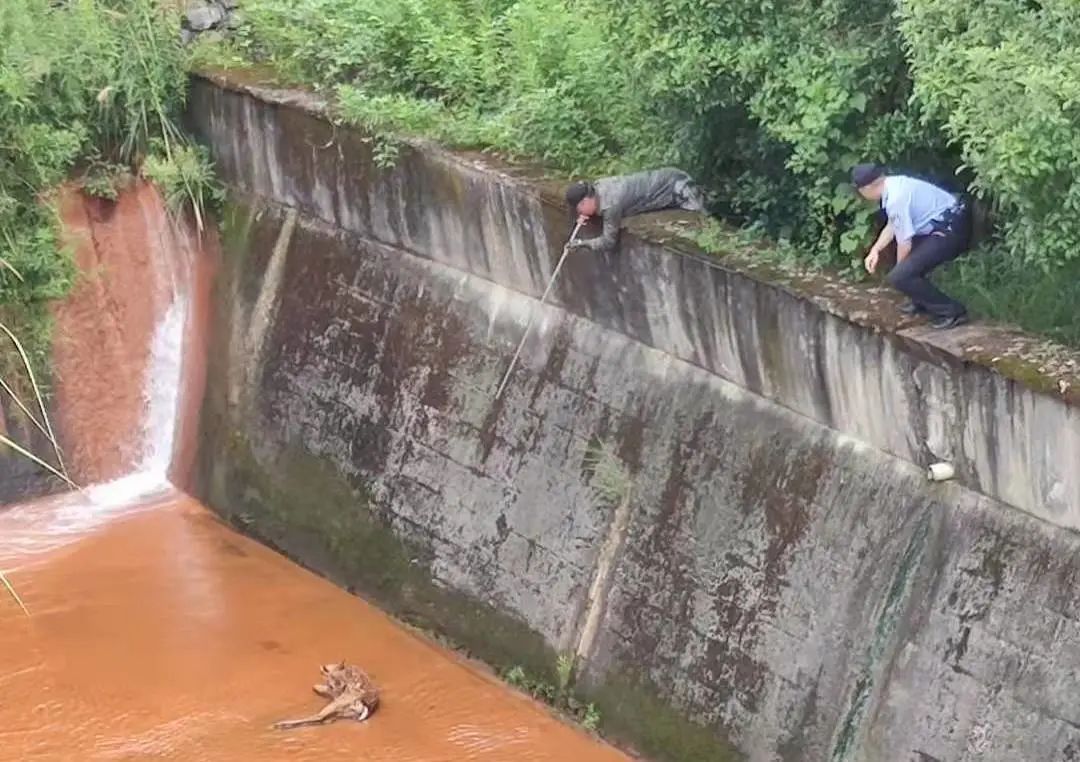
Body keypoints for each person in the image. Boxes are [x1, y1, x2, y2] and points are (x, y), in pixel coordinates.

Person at [852, 163, 972, 330]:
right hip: (943, 224)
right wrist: (875, 250)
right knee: (906, 271)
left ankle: (952, 312)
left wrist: (901, 271)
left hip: (950, 229)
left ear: (867, 188)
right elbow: (893, 224)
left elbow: (904, 243)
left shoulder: (896, 198)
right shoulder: (893, 185)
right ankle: (920, 301)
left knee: (900, 276)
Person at [565, 168, 705, 254]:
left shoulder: (610, 205)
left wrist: (583, 244)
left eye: (579, 209)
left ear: (584, 202)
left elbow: (608, 242)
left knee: (705, 219)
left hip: (679, 187)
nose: (579, 213)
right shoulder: (598, 186)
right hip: (671, 177)